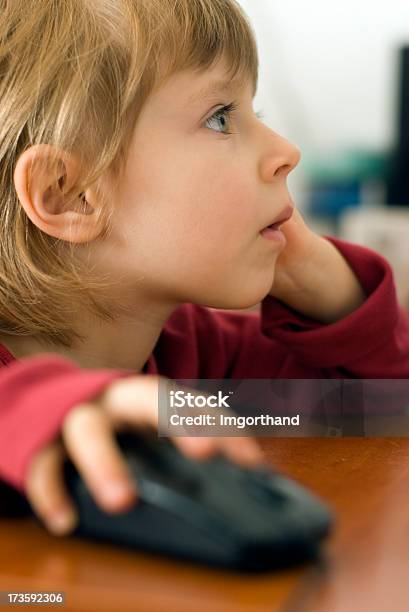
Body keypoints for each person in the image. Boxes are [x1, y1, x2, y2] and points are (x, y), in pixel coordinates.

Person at [0, 0, 408, 538]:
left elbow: (383, 407)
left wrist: (325, 285)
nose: (288, 152)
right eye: (220, 117)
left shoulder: (200, 354)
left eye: (253, 114)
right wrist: (62, 407)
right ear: (68, 195)